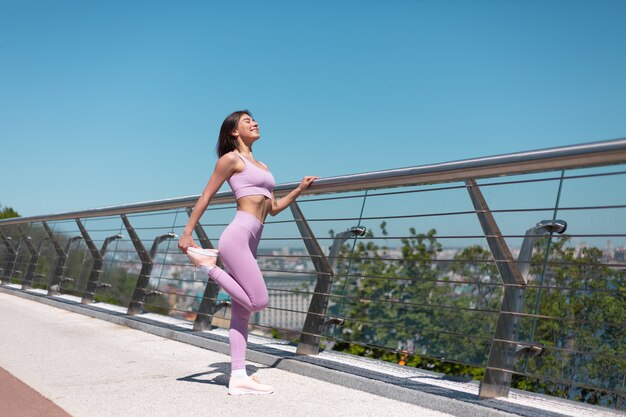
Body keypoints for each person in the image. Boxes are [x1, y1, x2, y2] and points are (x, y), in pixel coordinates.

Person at [178, 110, 318, 395]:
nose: (254, 123)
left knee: (241, 314)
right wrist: (187, 230)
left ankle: (239, 375)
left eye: (254, 120)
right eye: (247, 121)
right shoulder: (231, 159)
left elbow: (273, 208)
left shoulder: (262, 165)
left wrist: (299, 189)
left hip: (252, 238)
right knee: (258, 301)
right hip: (238, 236)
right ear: (233, 131)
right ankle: (207, 265)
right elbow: (206, 195)